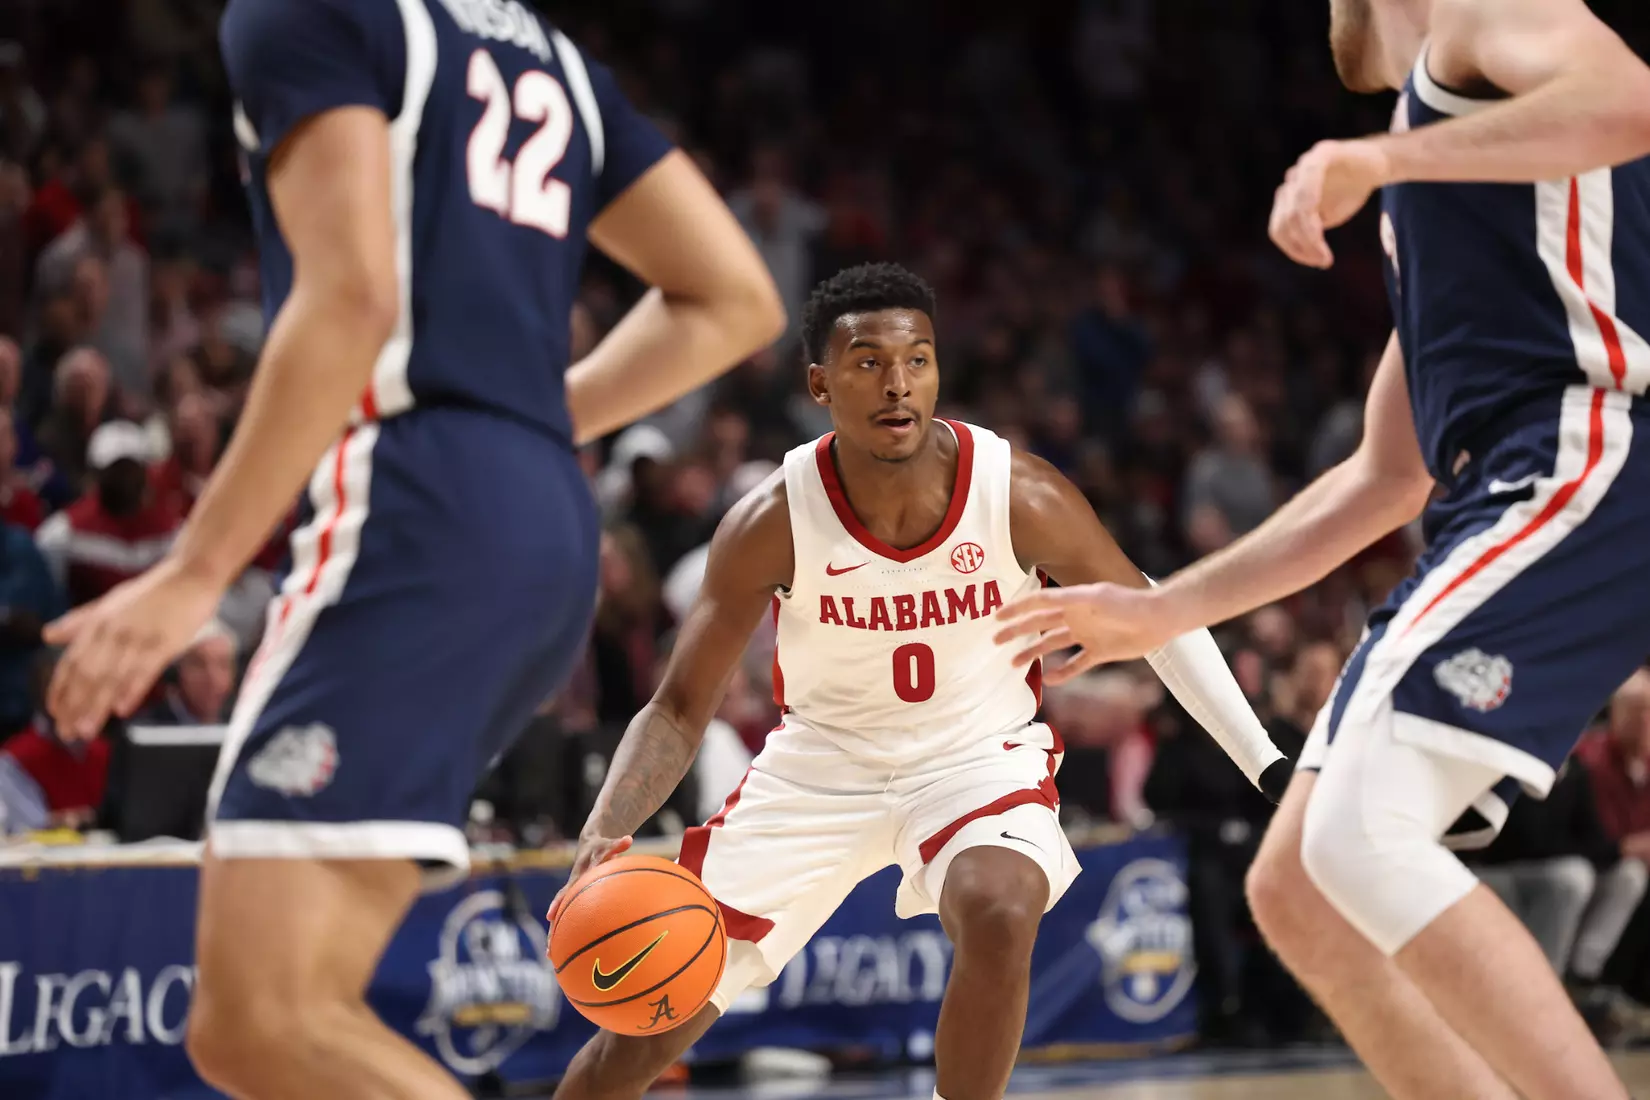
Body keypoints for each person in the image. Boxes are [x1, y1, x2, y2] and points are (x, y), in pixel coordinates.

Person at [39, 1, 783, 1098]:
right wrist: (533, 418)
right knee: (276, 1017)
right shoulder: (549, 55)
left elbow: (351, 296)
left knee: (265, 1018)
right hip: (533, 510)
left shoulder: (304, 10)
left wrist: (195, 570)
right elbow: (738, 296)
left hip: (418, 501)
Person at [993, 2, 1650, 1097]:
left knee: (1357, 840)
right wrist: (1160, 613)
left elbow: (1632, 101)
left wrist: (1378, 156)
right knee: (1299, 886)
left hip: (1590, 453)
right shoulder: (1449, 185)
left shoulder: (1486, 21)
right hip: (1522, 481)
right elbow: (1379, 478)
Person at [549, 264, 1288, 1100]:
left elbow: (1158, 616)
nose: (898, 385)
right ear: (821, 384)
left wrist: (1268, 763)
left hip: (976, 758)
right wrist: (603, 825)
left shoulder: (1018, 493)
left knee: (1003, 912)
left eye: (919, 360)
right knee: (643, 1033)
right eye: (868, 363)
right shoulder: (770, 521)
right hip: (818, 771)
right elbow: (680, 707)